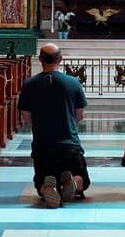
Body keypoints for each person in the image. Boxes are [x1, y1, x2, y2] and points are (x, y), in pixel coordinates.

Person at [18, 43, 90, 208]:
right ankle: (73, 182)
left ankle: (47, 187)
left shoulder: (29, 84)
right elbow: (79, 115)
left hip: (42, 145)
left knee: (40, 182)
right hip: (69, 144)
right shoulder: (73, 82)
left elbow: (26, 115)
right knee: (83, 179)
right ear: (61, 59)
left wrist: (39, 128)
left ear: (40, 59)